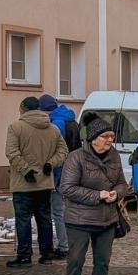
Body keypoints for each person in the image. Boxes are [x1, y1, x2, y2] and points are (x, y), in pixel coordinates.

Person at [58, 116, 129, 275]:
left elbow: (122, 183)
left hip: (107, 219)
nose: (110, 140)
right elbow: (67, 188)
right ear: (93, 138)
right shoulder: (76, 157)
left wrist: (117, 193)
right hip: (79, 220)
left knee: (102, 263)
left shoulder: (114, 156)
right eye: (105, 136)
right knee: (75, 262)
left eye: (112, 136)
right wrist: (97, 195)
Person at [5, 95, 66, 267]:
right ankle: (47, 254)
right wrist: (51, 164)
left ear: (22, 108)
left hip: (23, 183)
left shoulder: (16, 127)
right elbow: (63, 151)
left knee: (23, 220)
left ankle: (24, 256)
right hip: (45, 182)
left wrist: (26, 170)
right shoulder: (53, 129)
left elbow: (11, 152)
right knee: (44, 218)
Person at [41, 94, 80, 257]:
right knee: (69, 210)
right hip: (73, 170)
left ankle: (64, 246)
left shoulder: (56, 123)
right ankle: (73, 243)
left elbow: (57, 151)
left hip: (60, 172)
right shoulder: (71, 119)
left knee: (58, 211)